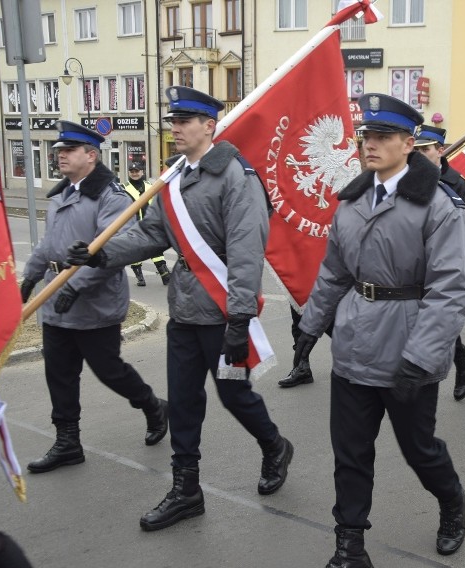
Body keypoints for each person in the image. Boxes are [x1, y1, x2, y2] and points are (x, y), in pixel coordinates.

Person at [65, 87, 293, 531]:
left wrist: (240, 318)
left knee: (234, 394)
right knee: (185, 402)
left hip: (223, 313)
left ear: (210, 126)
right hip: (185, 312)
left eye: (185, 121)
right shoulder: (171, 178)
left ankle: (274, 446)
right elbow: (152, 235)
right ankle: (187, 490)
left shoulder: (235, 176)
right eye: (172, 121)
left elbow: (247, 252)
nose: (176, 128)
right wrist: (100, 253)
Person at [294, 93, 465, 565]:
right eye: (365, 137)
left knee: (419, 450)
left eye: (382, 137)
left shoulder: (438, 205)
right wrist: (310, 325)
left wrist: (423, 355)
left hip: (407, 348)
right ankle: (349, 544)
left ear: (408, 143)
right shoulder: (351, 202)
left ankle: (451, 499)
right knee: (351, 454)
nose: (369, 145)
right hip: (354, 345)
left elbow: (452, 288)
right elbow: (334, 271)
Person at [19, 121, 168, 474]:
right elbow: (49, 243)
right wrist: (30, 277)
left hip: (94, 303)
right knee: (59, 373)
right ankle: (68, 442)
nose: (60, 157)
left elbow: (113, 250)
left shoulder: (109, 196)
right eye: (59, 152)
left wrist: (76, 284)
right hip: (57, 299)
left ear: (91, 155)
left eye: (68, 151)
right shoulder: (63, 193)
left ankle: (153, 406)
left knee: (109, 371)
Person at [413, 124, 465, 401]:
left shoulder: (457, 185)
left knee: (442, 325)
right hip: (414, 270)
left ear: (441, 150)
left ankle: (461, 365)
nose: (418, 155)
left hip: (444, 270)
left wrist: (460, 274)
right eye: (415, 149)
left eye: (425, 150)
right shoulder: (409, 180)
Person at [123, 162, 171, 287]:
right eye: (132, 171)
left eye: (137, 171)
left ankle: (165, 275)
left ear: (142, 172)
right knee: (135, 250)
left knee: (156, 249)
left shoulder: (151, 186)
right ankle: (140, 278)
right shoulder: (124, 188)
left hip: (150, 223)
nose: (134, 173)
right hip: (133, 224)